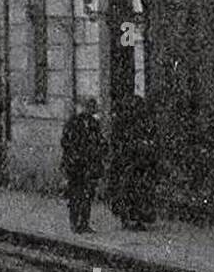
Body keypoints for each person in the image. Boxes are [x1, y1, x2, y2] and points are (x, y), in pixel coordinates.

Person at [109, 94, 157, 230]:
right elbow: (118, 143)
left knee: (138, 193)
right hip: (127, 163)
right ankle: (127, 219)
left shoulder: (140, 122)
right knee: (128, 193)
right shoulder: (123, 122)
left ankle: (137, 219)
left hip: (139, 163)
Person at [61, 96, 106, 234]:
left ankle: (85, 223)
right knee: (75, 195)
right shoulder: (73, 123)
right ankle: (75, 223)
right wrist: (74, 157)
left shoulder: (94, 124)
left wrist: (100, 152)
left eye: (93, 108)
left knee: (88, 195)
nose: (91, 110)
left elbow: (100, 141)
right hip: (75, 165)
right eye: (89, 107)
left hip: (90, 165)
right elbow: (66, 142)